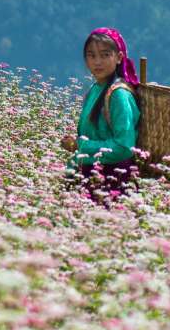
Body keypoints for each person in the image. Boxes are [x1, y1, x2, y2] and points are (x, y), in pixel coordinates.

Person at [61, 27, 142, 203]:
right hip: (90, 177)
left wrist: (81, 145)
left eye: (105, 55)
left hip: (112, 183)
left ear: (119, 57)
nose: (97, 62)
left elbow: (123, 147)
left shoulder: (119, 94)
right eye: (91, 55)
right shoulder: (95, 89)